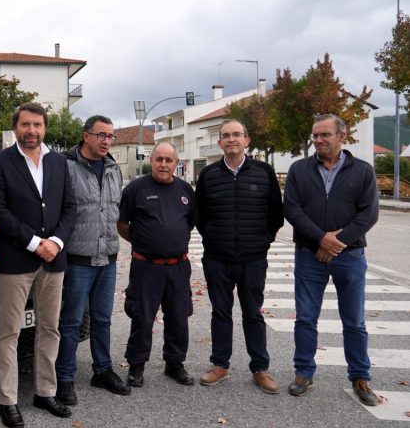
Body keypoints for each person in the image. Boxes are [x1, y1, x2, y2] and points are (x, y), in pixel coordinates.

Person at [0, 102, 77, 428]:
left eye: (37, 125)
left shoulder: (59, 162)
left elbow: (70, 208)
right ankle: (7, 400)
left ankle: (45, 392)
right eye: (26, 125)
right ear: (16, 128)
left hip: (55, 259)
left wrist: (56, 242)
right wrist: (34, 243)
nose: (32, 131)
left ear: (44, 128)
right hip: (16, 259)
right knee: (8, 332)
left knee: (50, 328)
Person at [283, 114, 380, 405]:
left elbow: (369, 213)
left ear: (342, 135)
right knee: (306, 318)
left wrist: (337, 242)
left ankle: (360, 377)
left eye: (324, 135)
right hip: (309, 255)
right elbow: (292, 209)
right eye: (315, 136)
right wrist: (321, 239)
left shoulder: (362, 171)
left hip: (349, 256)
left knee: (354, 321)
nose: (318, 141)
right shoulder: (299, 170)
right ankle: (303, 373)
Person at [195, 120, 283, 394]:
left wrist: (261, 241)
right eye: (226, 136)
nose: (231, 139)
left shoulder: (264, 172)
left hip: (253, 259)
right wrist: (213, 238)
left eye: (236, 135)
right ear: (220, 142)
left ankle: (260, 368)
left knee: (253, 313)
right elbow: (200, 216)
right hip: (217, 258)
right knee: (220, 312)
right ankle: (220, 365)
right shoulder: (208, 175)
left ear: (247, 139)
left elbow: (276, 215)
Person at [55, 116, 129, 406]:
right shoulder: (66, 167)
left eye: (110, 136)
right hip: (77, 260)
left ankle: (103, 370)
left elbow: (115, 211)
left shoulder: (113, 169)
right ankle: (65, 378)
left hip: (107, 259)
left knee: (102, 320)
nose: (107, 141)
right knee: (71, 322)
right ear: (85, 136)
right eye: (101, 135)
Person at [117, 142, 197, 388]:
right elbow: (123, 225)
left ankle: (174, 364)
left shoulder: (186, 191)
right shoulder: (135, 189)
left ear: (176, 163)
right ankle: (137, 365)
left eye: (168, 160)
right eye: (159, 159)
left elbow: (190, 224)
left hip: (178, 267)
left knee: (178, 317)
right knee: (142, 316)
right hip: (146, 267)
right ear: (151, 160)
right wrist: (146, 243)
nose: (163, 164)